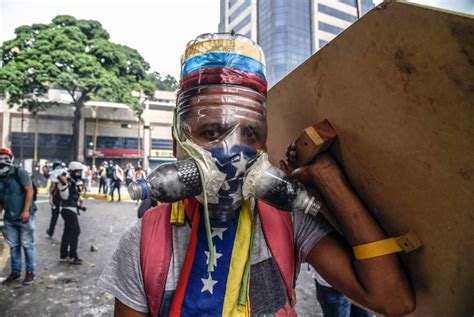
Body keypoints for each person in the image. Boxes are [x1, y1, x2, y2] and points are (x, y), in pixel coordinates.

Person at [98, 34, 414, 316]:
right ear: (176, 142)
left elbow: (391, 301)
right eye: (211, 131)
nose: (232, 153)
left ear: (264, 141)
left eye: (249, 133)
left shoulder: (286, 220)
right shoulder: (143, 242)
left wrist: (327, 177)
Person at [0, 147, 37, 285]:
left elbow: (29, 190)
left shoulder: (19, 173)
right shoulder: (0, 177)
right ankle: (15, 272)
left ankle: (30, 272)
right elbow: (1, 198)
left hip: (25, 217)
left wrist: (26, 211)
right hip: (9, 218)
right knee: (14, 246)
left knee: (27, 245)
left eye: (5, 157)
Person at [57, 161, 86, 264]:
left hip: (71, 208)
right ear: (72, 171)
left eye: (80, 172)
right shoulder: (66, 181)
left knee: (67, 232)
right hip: (67, 209)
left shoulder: (73, 181)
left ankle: (64, 255)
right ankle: (73, 256)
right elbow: (64, 196)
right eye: (77, 172)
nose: (79, 174)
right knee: (75, 231)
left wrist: (80, 199)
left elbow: (74, 193)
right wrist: (64, 183)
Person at [46, 161, 66, 238]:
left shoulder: (54, 173)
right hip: (65, 196)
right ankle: (67, 231)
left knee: (54, 216)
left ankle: (51, 231)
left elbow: (53, 186)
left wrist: (50, 197)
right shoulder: (65, 172)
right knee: (66, 215)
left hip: (56, 197)